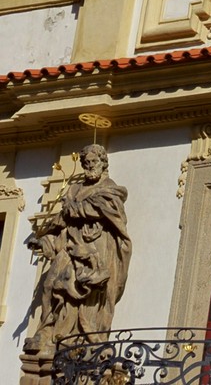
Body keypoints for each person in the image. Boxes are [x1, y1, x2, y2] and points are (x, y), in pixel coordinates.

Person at [25, 144, 132, 352]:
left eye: (94, 162)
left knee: (88, 292)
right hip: (70, 246)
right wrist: (45, 240)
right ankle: (47, 332)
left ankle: (85, 337)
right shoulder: (74, 190)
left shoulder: (109, 188)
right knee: (49, 285)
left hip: (96, 250)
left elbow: (109, 211)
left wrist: (76, 209)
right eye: (86, 163)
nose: (90, 166)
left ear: (103, 163)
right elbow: (60, 222)